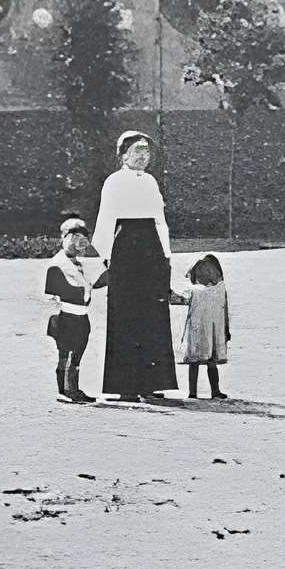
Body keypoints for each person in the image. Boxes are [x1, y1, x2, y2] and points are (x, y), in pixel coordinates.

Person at [92, 131, 181, 402]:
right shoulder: (114, 182)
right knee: (126, 315)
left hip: (151, 250)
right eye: (137, 150)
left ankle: (151, 382)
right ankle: (126, 386)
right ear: (123, 155)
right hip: (125, 248)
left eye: (146, 151)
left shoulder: (152, 182)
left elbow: (159, 220)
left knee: (153, 314)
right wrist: (106, 258)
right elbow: (106, 219)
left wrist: (165, 255)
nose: (143, 156)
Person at [44, 216, 107, 404]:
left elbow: (91, 286)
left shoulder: (78, 263)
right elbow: (62, 291)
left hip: (81, 317)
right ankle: (64, 391)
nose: (78, 241)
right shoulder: (58, 264)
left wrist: (107, 272)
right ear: (64, 237)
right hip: (66, 316)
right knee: (66, 354)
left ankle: (73, 389)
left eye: (82, 236)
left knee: (76, 356)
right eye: (74, 235)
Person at [181, 253, 231, 400]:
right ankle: (214, 391)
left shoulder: (194, 290)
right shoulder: (220, 289)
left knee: (195, 361)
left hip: (198, 330)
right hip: (214, 330)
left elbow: (181, 299)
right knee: (211, 361)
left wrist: (167, 293)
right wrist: (226, 329)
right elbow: (225, 309)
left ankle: (193, 392)